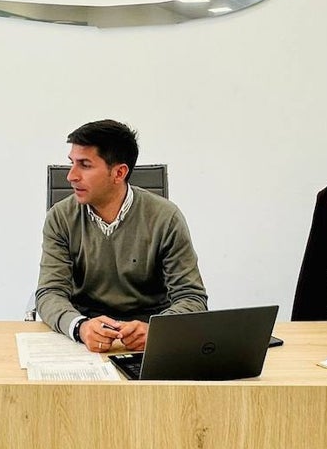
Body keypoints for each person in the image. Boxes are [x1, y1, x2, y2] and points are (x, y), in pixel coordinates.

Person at [35, 119, 208, 353]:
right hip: (86, 337)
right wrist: (79, 327)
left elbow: (192, 297)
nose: (71, 176)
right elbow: (50, 292)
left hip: (147, 337)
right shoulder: (60, 217)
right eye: (71, 163)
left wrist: (156, 330)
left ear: (119, 172)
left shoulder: (166, 217)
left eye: (84, 165)